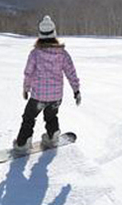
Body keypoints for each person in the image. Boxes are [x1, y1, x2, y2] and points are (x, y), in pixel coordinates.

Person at [13, 15, 81, 153]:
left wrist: (26, 89)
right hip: (56, 97)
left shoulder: (35, 54)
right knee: (51, 116)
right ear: (54, 33)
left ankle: (22, 143)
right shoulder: (62, 54)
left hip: (38, 96)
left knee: (29, 118)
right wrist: (76, 90)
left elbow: (28, 73)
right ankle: (53, 136)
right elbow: (71, 73)